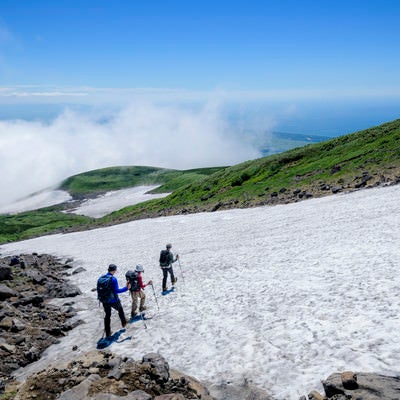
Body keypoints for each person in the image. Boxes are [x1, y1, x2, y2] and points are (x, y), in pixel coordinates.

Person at [98, 264, 130, 337]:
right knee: (120, 310)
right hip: (113, 300)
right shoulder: (113, 279)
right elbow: (117, 291)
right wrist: (126, 288)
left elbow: (98, 290)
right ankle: (124, 323)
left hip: (104, 300)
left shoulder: (101, 278)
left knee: (107, 315)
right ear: (114, 270)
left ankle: (108, 332)